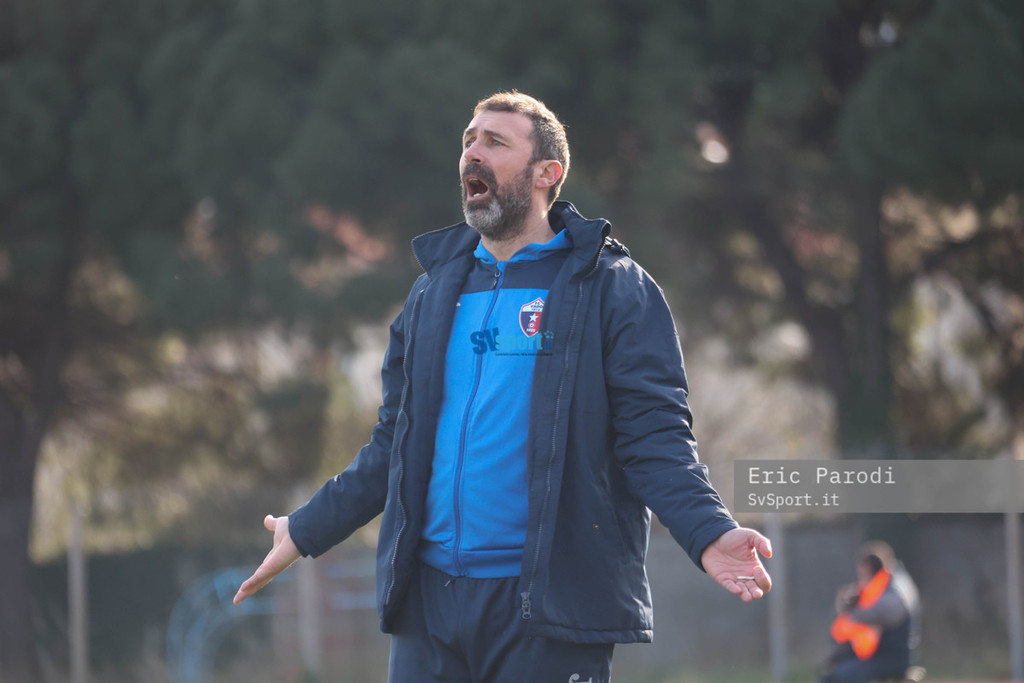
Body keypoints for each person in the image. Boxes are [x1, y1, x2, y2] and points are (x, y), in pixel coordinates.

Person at [233, 91, 772, 682]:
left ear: (547, 174)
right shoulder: (431, 293)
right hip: (428, 611)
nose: (473, 152)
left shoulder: (614, 289)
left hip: (545, 610)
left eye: (495, 142)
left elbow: (655, 440)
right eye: (469, 140)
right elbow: (395, 443)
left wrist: (709, 531)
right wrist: (306, 527)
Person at [819, 541, 921, 683]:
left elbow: (884, 612)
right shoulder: (885, 585)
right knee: (832, 671)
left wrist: (852, 608)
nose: (860, 578)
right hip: (878, 655)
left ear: (868, 567)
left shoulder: (896, 588)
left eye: (861, 572)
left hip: (891, 658)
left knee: (840, 675)